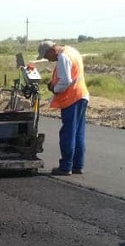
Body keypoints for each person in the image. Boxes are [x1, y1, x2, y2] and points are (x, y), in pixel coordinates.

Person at [37, 40, 90, 176]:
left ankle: (66, 166)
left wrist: (54, 88)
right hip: (82, 95)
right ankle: (78, 165)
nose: (48, 60)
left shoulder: (63, 57)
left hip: (72, 98)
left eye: (47, 56)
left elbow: (65, 81)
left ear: (51, 50)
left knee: (68, 133)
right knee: (78, 133)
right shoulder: (71, 51)